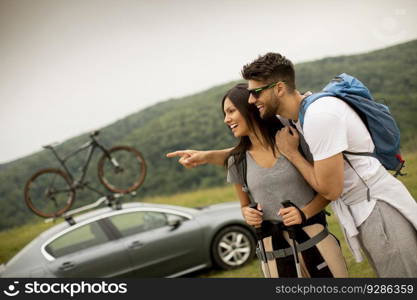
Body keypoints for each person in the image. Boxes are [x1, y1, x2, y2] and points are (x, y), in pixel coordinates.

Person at [171, 53, 417, 277]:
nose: (251, 99)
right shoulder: (298, 117)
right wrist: (205, 156)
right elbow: (255, 147)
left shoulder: (319, 117)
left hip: (376, 208)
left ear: (278, 88)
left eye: (256, 92)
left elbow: (330, 190)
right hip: (363, 211)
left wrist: (293, 154)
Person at [169, 83, 348, 278]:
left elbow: (328, 190)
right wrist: (248, 214)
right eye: (225, 114)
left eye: (231, 111)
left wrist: (303, 213)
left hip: (317, 242)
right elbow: (245, 206)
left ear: (249, 109)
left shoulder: (292, 139)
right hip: (273, 255)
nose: (226, 119)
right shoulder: (236, 161)